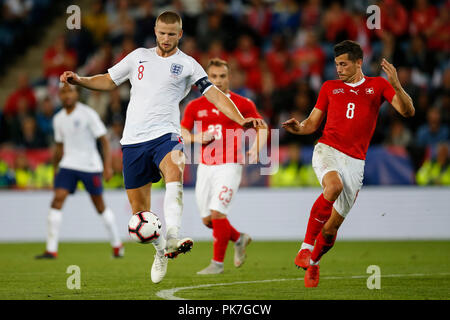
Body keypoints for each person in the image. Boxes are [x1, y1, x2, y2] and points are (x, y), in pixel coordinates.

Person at [59, 11, 263, 284]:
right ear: (155, 31)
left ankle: (174, 236)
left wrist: (240, 118)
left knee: (174, 167)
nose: (166, 39)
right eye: (162, 33)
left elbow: (214, 94)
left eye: (172, 34)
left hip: (166, 134)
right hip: (133, 141)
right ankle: (160, 250)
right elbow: (108, 79)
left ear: (180, 34)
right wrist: (81, 81)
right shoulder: (137, 56)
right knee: (139, 216)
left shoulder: (188, 64)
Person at [282, 40, 415, 287]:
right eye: (336, 64)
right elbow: (311, 124)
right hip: (327, 149)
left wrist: (396, 83)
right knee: (333, 187)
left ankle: (314, 262)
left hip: (356, 162)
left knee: (331, 228)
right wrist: (298, 128)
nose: (339, 69)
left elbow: (408, 112)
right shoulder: (329, 88)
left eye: (344, 64)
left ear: (358, 63)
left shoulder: (378, 86)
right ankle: (305, 248)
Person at [181, 58, 268, 274]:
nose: (218, 81)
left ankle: (217, 264)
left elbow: (263, 127)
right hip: (204, 166)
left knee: (217, 213)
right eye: (213, 77)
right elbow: (181, 132)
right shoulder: (195, 106)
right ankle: (239, 239)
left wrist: (256, 149)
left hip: (230, 164)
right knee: (208, 219)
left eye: (222, 76)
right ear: (206, 79)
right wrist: (195, 137)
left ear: (229, 77)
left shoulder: (243, 103)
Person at [36, 83, 123, 259]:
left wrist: (107, 167)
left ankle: (117, 245)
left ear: (76, 94)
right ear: (59, 96)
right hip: (68, 165)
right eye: (63, 92)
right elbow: (59, 147)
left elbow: (104, 141)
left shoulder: (88, 114)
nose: (67, 95)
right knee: (57, 201)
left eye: (70, 91)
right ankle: (51, 250)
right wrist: (55, 169)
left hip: (90, 166)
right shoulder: (58, 118)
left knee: (99, 206)